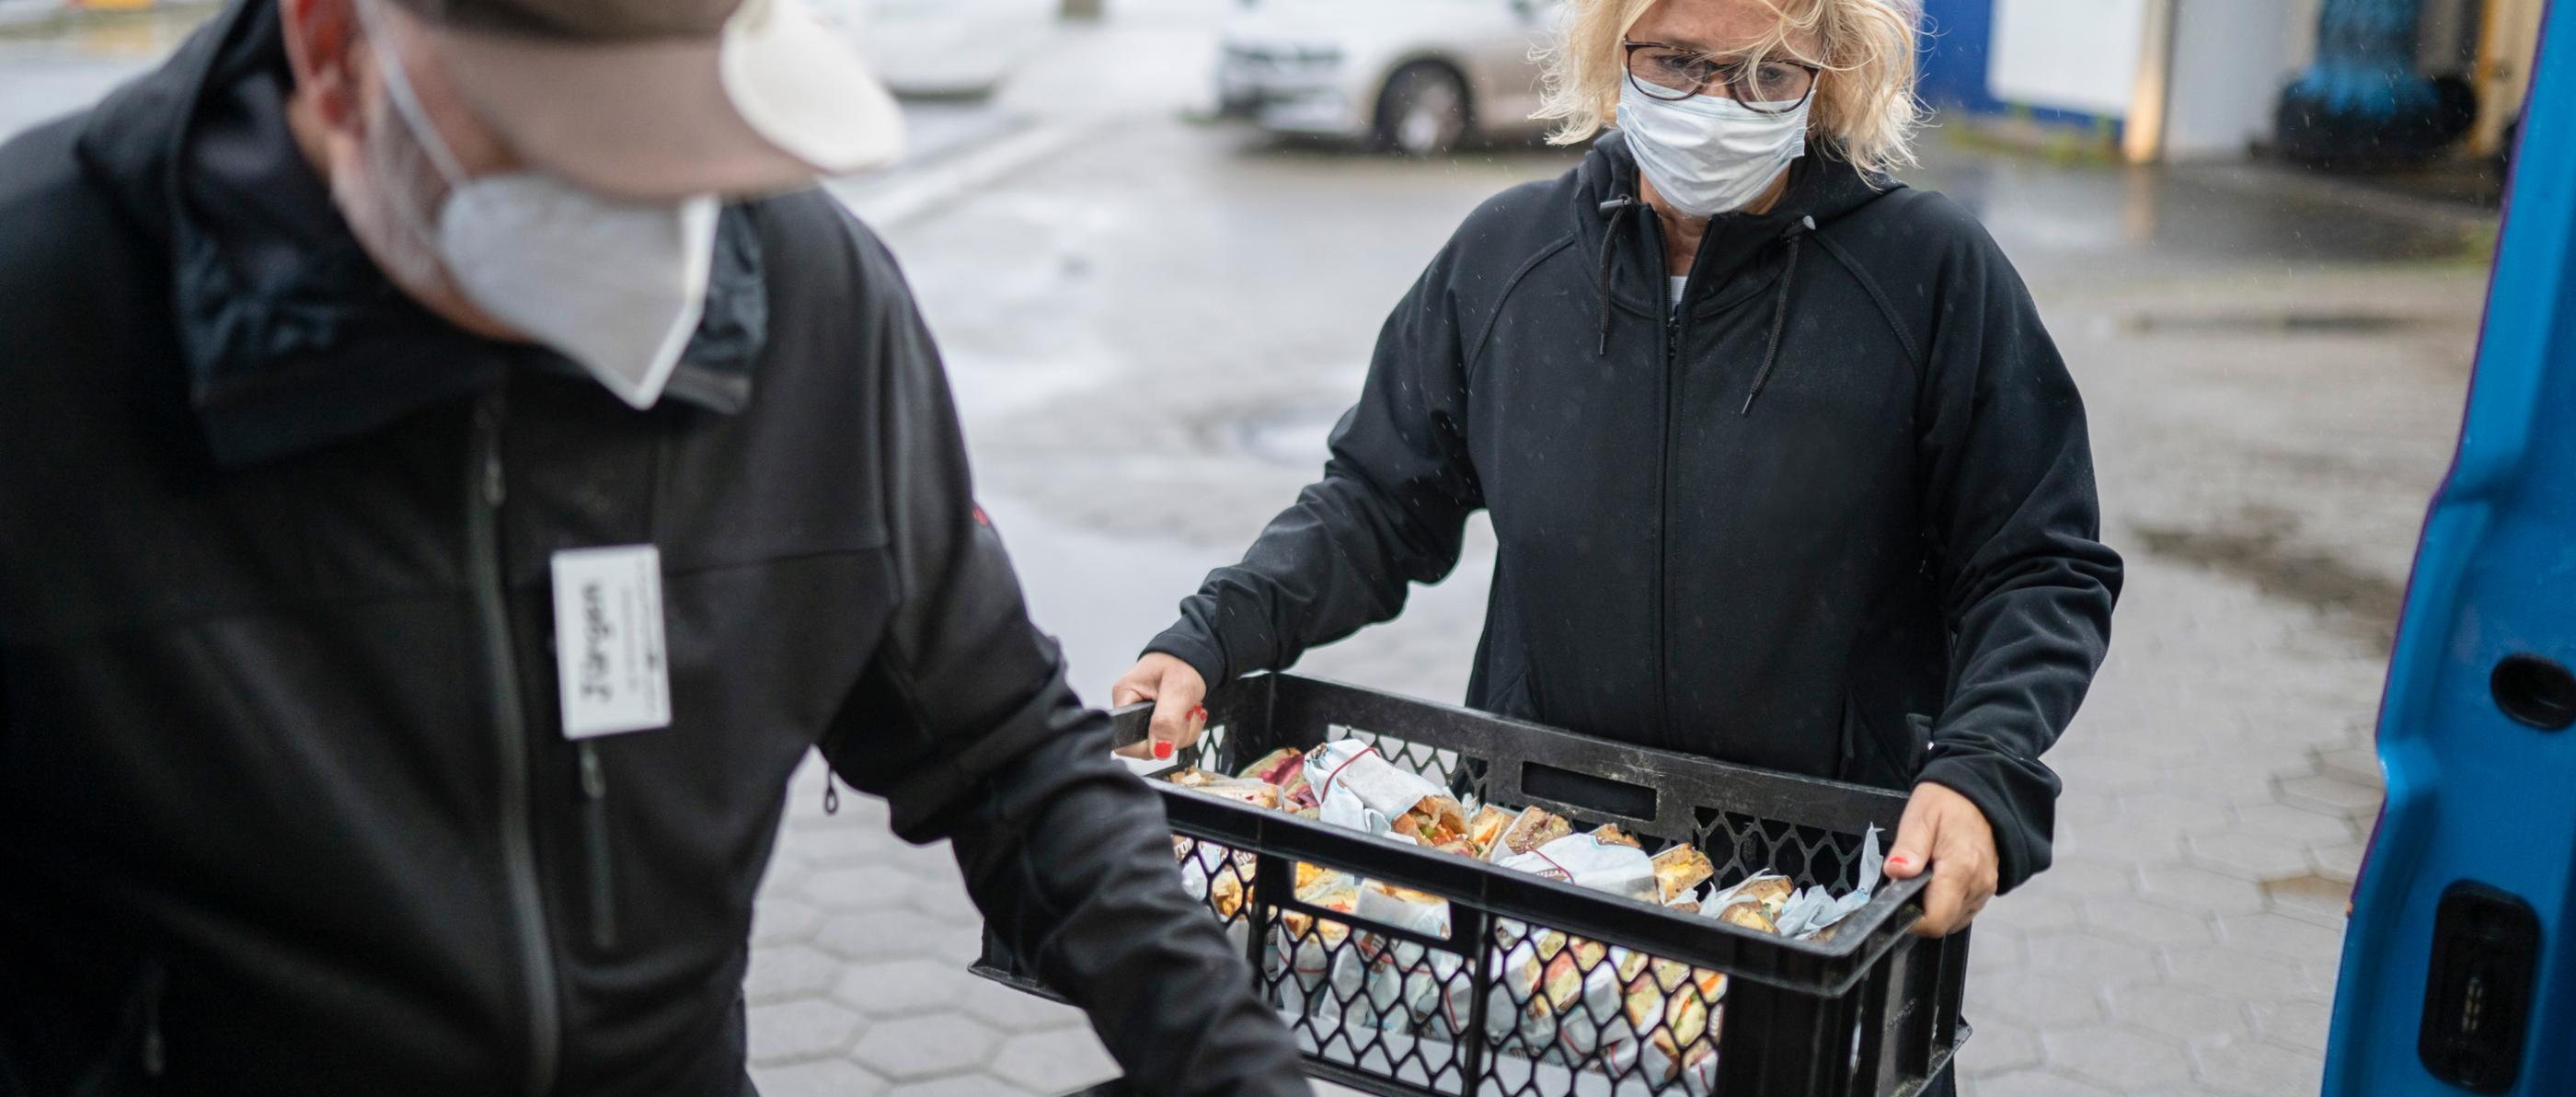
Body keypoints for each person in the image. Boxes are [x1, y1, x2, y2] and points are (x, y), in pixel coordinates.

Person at [0, 0, 1307, 1092]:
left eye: (699, 139)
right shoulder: (44, 316)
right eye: (577, 151)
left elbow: (1007, 753)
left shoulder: (812, 301)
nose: (665, 225)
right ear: (339, 49)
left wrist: (1229, 1061)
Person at [1115, 0, 2122, 940]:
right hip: (1537, 872)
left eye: (1767, 73)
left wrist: (1982, 765)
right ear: (1614, 47)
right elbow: (1376, 502)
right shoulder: (1508, 259)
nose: (1713, 106)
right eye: (1677, 61)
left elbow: (2036, 562)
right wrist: (1215, 633)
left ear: (1835, 72)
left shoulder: (1926, 273)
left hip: (1816, 901)